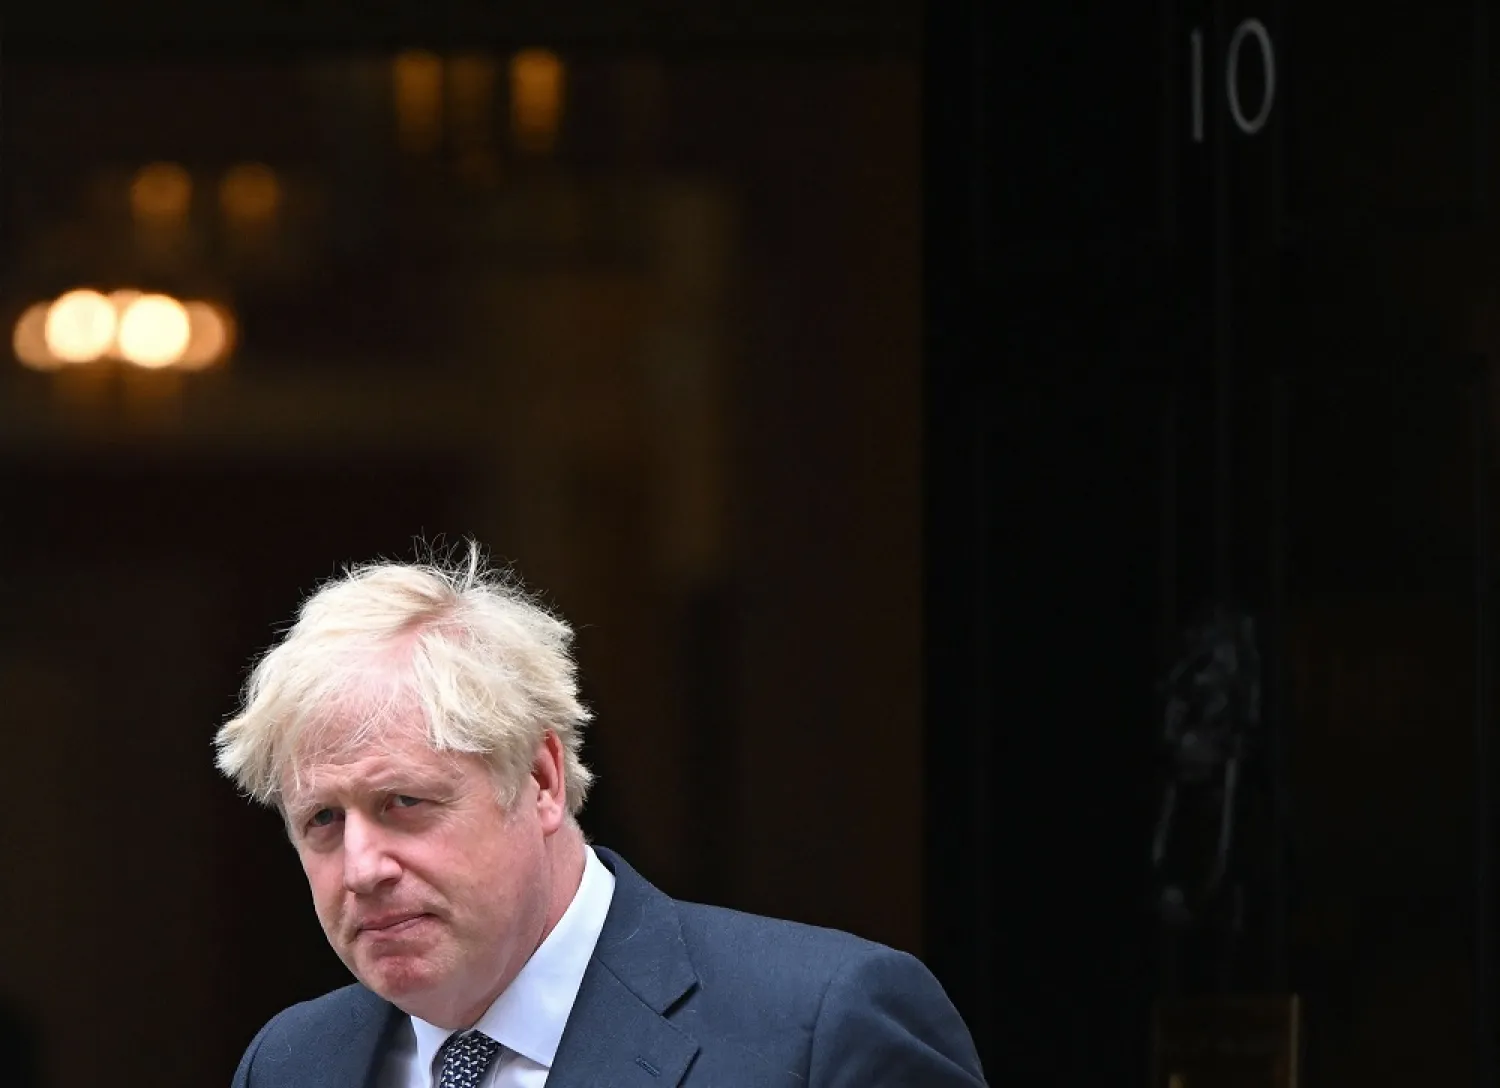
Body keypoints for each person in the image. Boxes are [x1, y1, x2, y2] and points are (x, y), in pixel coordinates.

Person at [215, 544, 986, 1087]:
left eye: (404, 803)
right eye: (322, 821)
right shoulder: (292, 1063)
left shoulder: (824, 1027)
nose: (362, 868)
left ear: (542, 779)